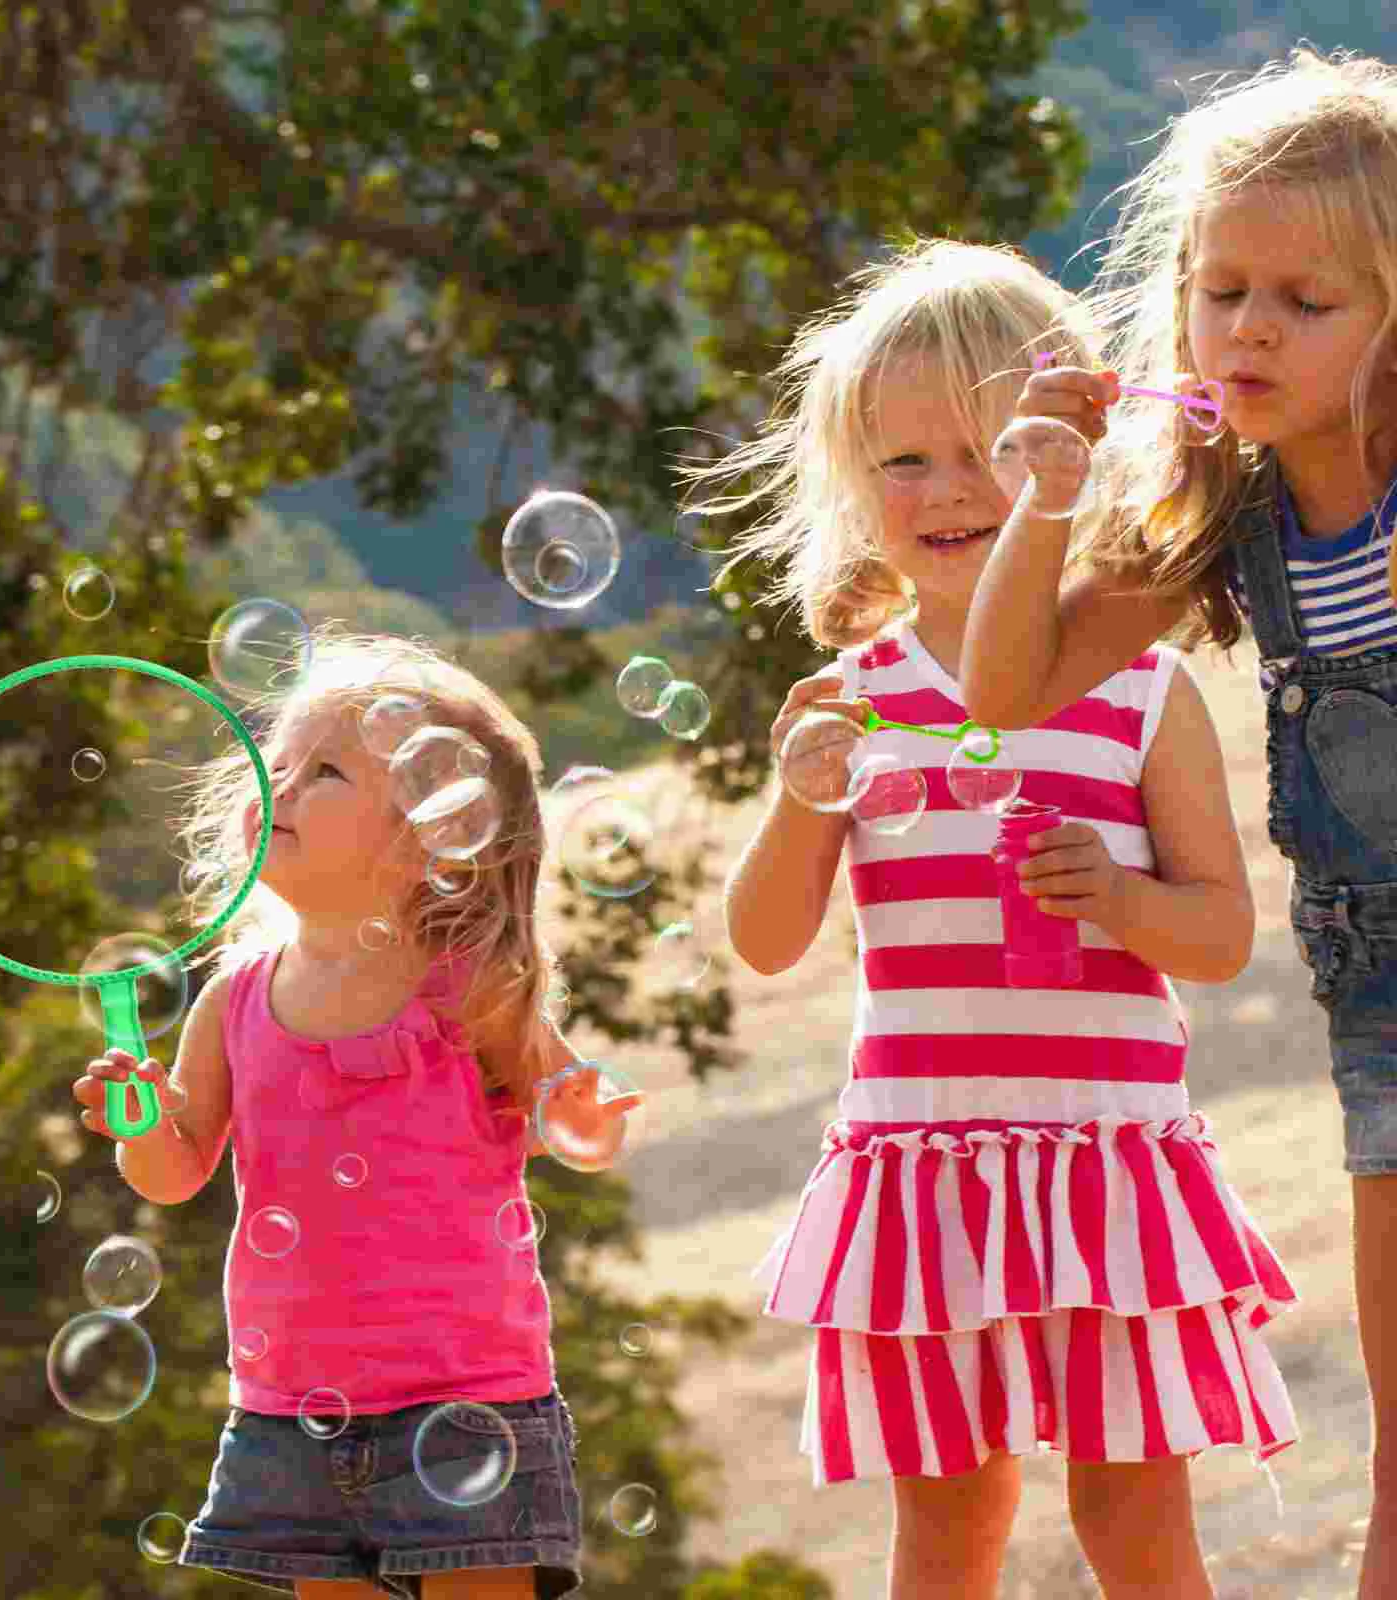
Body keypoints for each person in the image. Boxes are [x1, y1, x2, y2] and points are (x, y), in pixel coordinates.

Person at [683, 236, 1298, 1600]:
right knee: (950, 1522)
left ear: (1072, 458)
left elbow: (1219, 935)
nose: (952, 492)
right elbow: (768, 938)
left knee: (1134, 1514)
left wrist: (1126, 898)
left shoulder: (1140, 688)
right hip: (925, 1169)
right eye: (906, 462)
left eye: (993, 451)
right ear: (854, 485)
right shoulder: (855, 694)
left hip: (1108, 1165)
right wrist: (800, 799)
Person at [956, 46, 1397, 1600]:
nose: (1250, 327)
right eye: (1222, 291)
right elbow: (1003, 691)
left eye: (1307, 298)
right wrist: (1051, 496)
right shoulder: (1232, 511)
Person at [73, 632, 642, 1599]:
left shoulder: (472, 989)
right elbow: (174, 1172)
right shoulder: (235, 999)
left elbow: (578, 1133)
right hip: (292, 1409)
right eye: (277, 764)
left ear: (437, 833)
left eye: (324, 771)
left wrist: (579, 1108)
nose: (279, 785)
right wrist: (139, 1122)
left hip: (469, 1405)